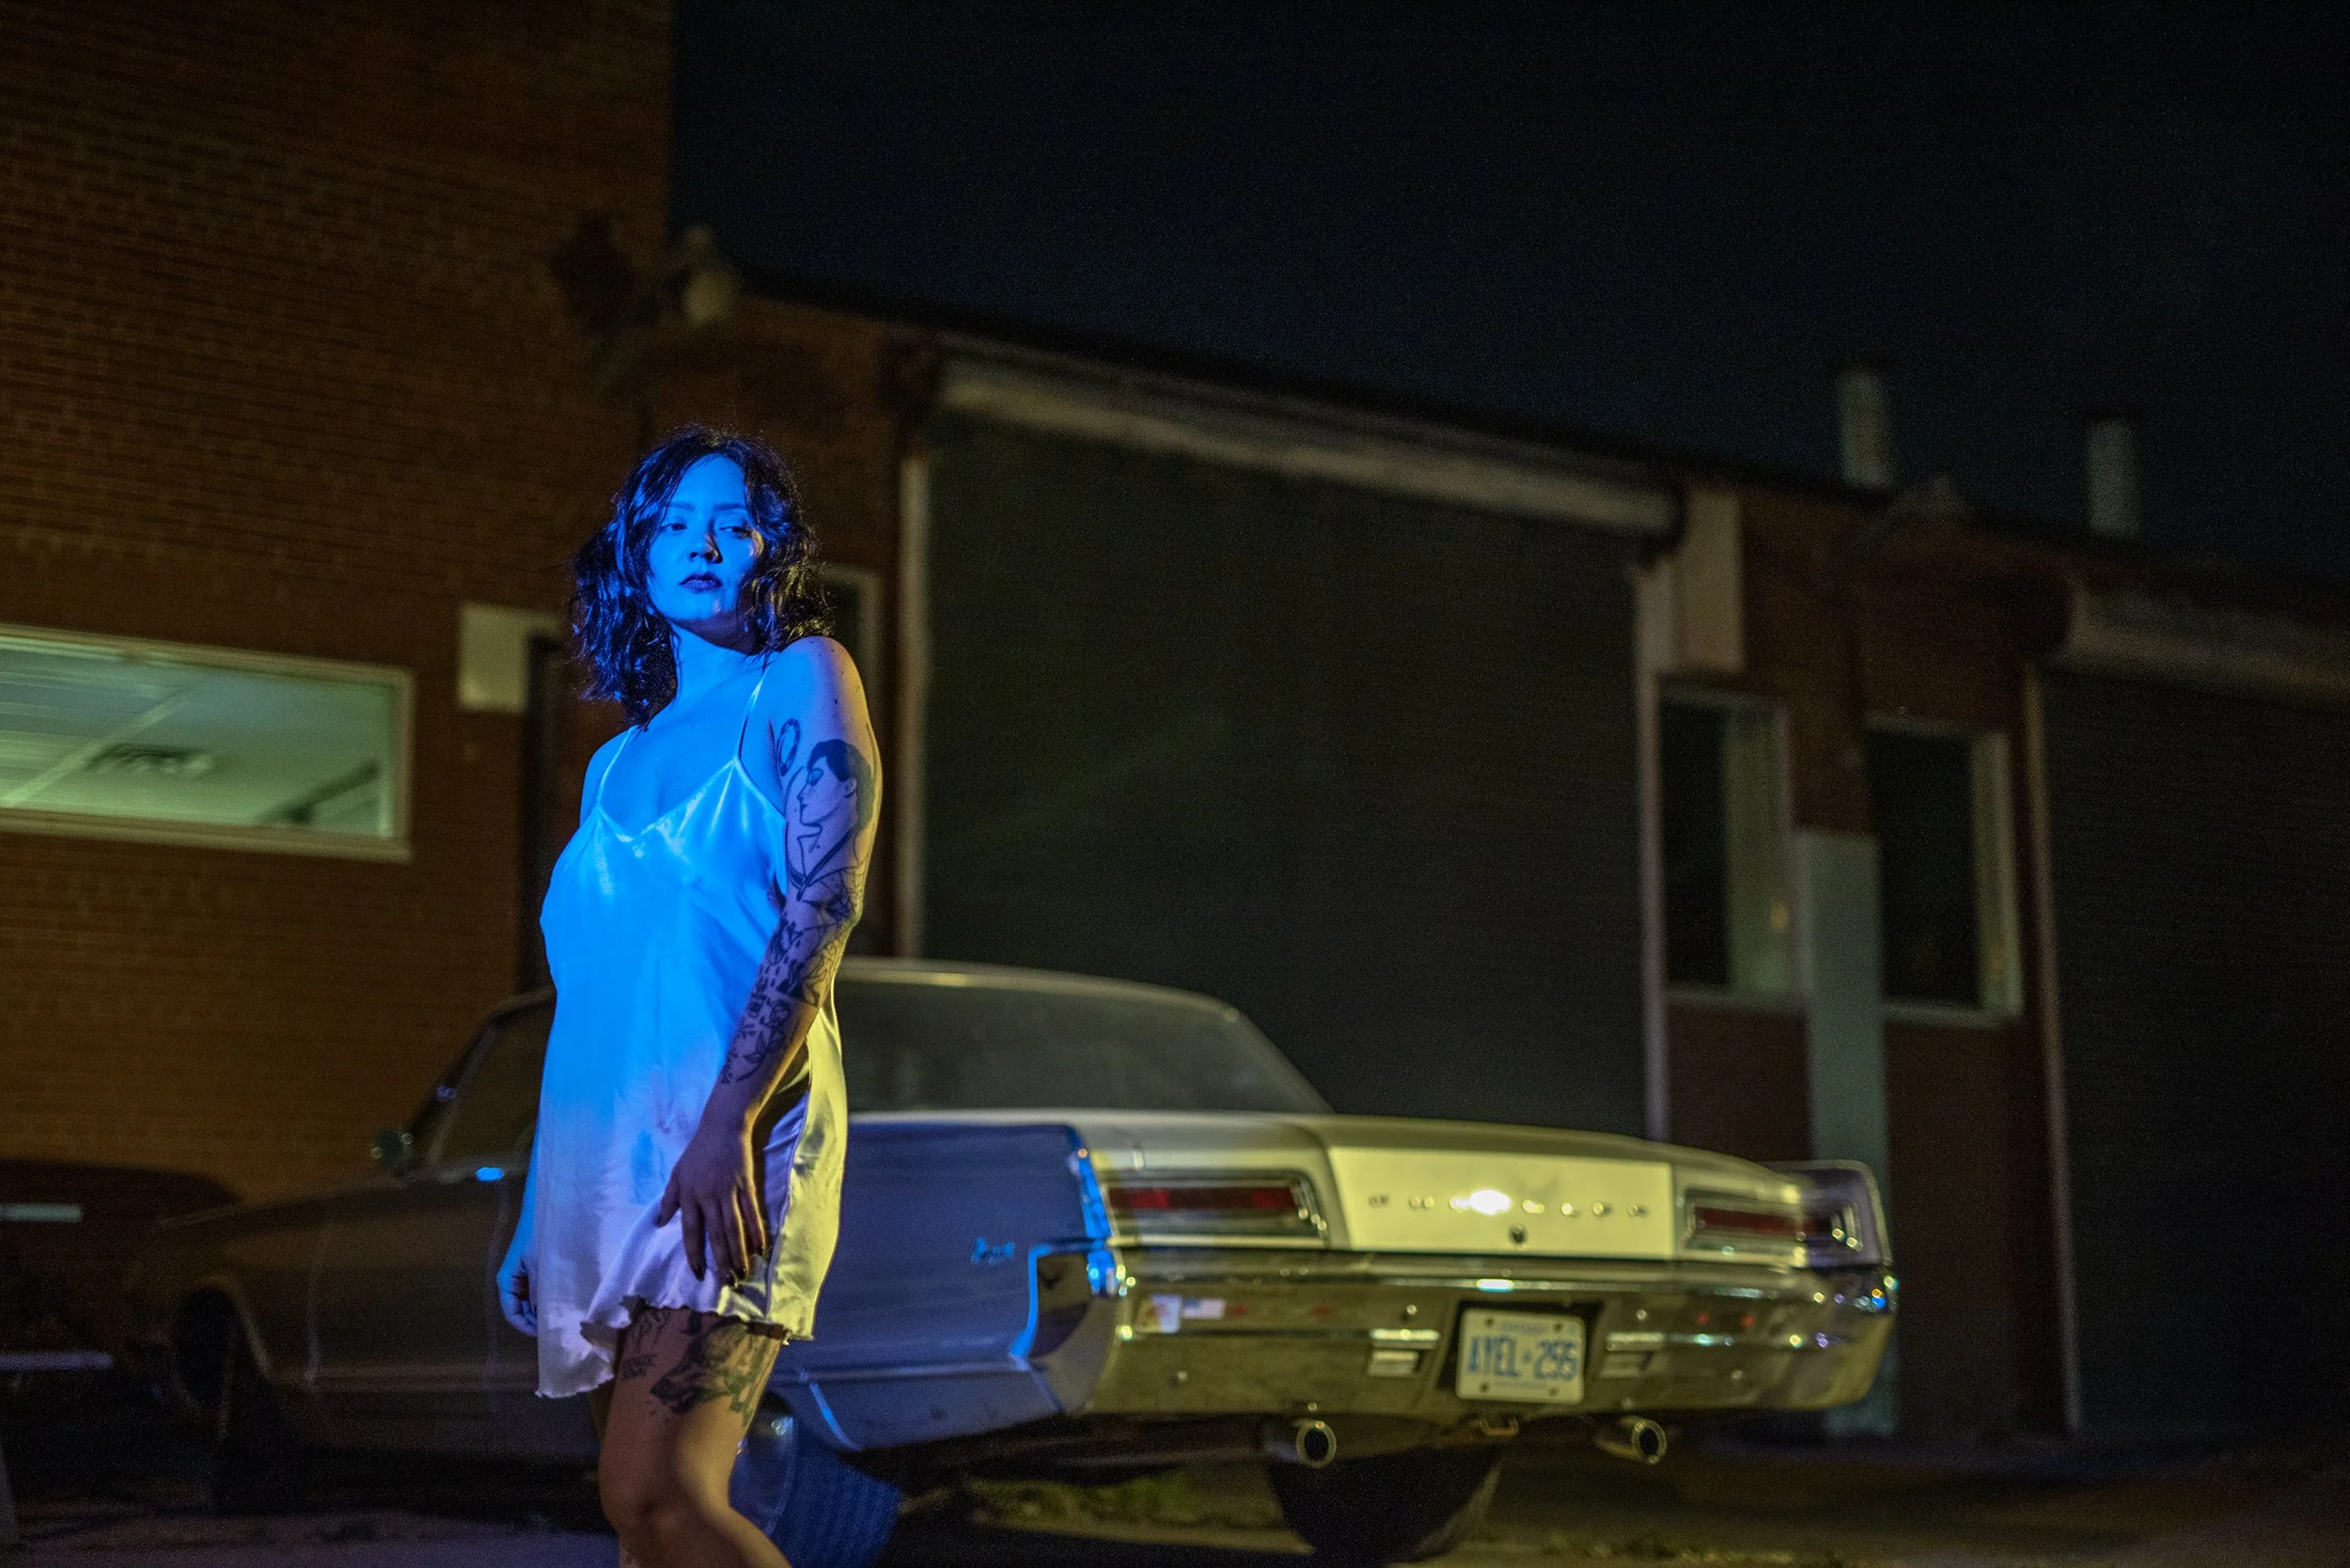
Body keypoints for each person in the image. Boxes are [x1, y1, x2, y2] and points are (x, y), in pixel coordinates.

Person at [496, 427, 879, 1567]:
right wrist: (535, 1207)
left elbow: (823, 908)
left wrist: (729, 1125)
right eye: (673, 523)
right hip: (607, 1162)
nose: (703, 543)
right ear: (637, 555)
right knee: (635, 1521)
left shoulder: (802, 678)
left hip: (733, 1144)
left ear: (772, 546)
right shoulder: (616, 762)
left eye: (733, 519)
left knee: (663, 1491)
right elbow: (593, 1002)